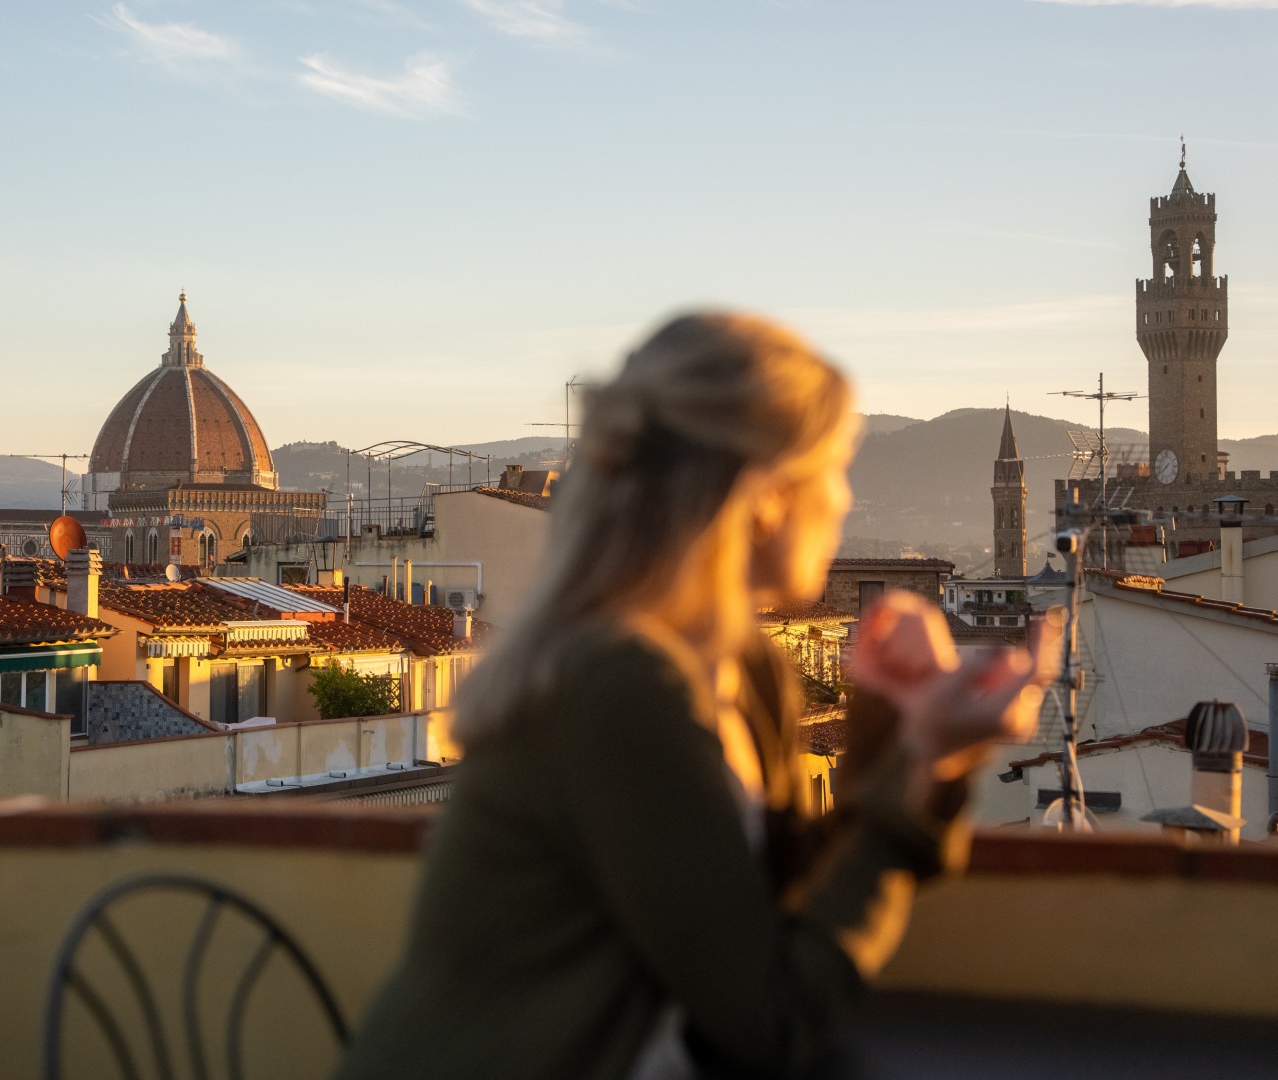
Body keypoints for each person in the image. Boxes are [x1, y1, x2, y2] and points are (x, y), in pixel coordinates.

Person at [331, 313, 1058, 1079]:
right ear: (765, 496)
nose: (845, 502)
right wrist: (925, 755)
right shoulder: (620, 689)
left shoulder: (748, 670)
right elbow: (770, 1018)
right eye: (833, 471)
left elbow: (782, 902)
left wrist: (897, 727)